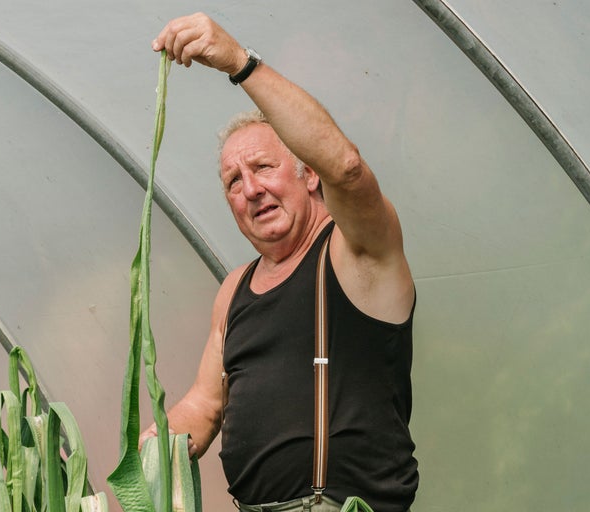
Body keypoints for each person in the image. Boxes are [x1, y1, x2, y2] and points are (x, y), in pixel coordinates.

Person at [140, 12, 418, 512]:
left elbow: (349, 171)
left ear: (309, 174)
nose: (250, 189)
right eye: (232, 181)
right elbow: (204, 406)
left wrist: (239, 63)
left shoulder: (355, 251)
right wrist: (147, 453)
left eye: (264, 167)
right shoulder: (235, 290)